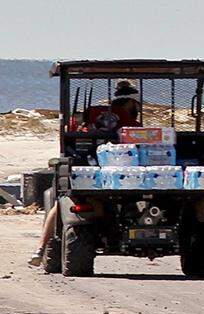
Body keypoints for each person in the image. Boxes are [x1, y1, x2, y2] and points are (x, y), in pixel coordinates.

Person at [29, 81, 140, 268]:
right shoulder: (130, 122)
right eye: (135, 105)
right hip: (128, 173)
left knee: (59, 203)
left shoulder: (94, 114)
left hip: (91, 173)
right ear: (130, 103)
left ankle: (40, 248)